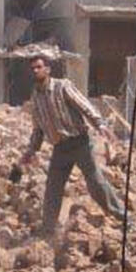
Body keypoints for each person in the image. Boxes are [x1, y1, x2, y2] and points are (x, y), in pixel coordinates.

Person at [15, 54, 124, 235]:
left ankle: (123, 218)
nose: (36, 70)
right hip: (60, 149)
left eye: (39, 67)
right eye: (33, 68)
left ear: (47, 69)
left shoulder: (62, 86)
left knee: (96, 183)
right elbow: (38, 130)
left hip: (80, 143)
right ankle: (48, 230)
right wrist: (30, 152)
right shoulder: (36, 96)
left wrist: (100, 124)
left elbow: (84, 105)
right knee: (52, 189)